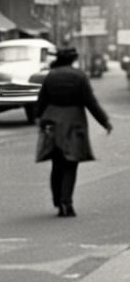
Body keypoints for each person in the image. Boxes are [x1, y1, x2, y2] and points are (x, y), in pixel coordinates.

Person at [35, 46, 113, 217]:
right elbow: (90, 102)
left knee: (57, 163)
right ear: (73, 59)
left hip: (53, 121)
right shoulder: (79, 76)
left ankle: (57, 201)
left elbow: (41, 101)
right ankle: (66, 201)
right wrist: (104, 121)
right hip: (73, 122)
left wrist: (39, 118)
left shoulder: (51, 76)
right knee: (71, 163)